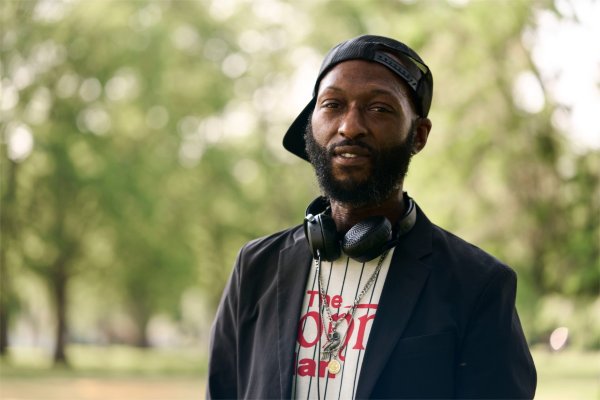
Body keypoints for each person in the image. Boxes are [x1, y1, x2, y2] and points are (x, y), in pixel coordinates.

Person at [207, 34, 536, 399]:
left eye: (379, 109)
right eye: (332, 105)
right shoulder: (255, 267)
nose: (350, 126)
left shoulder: (478, 284)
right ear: (310, 125)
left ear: (419, 136)